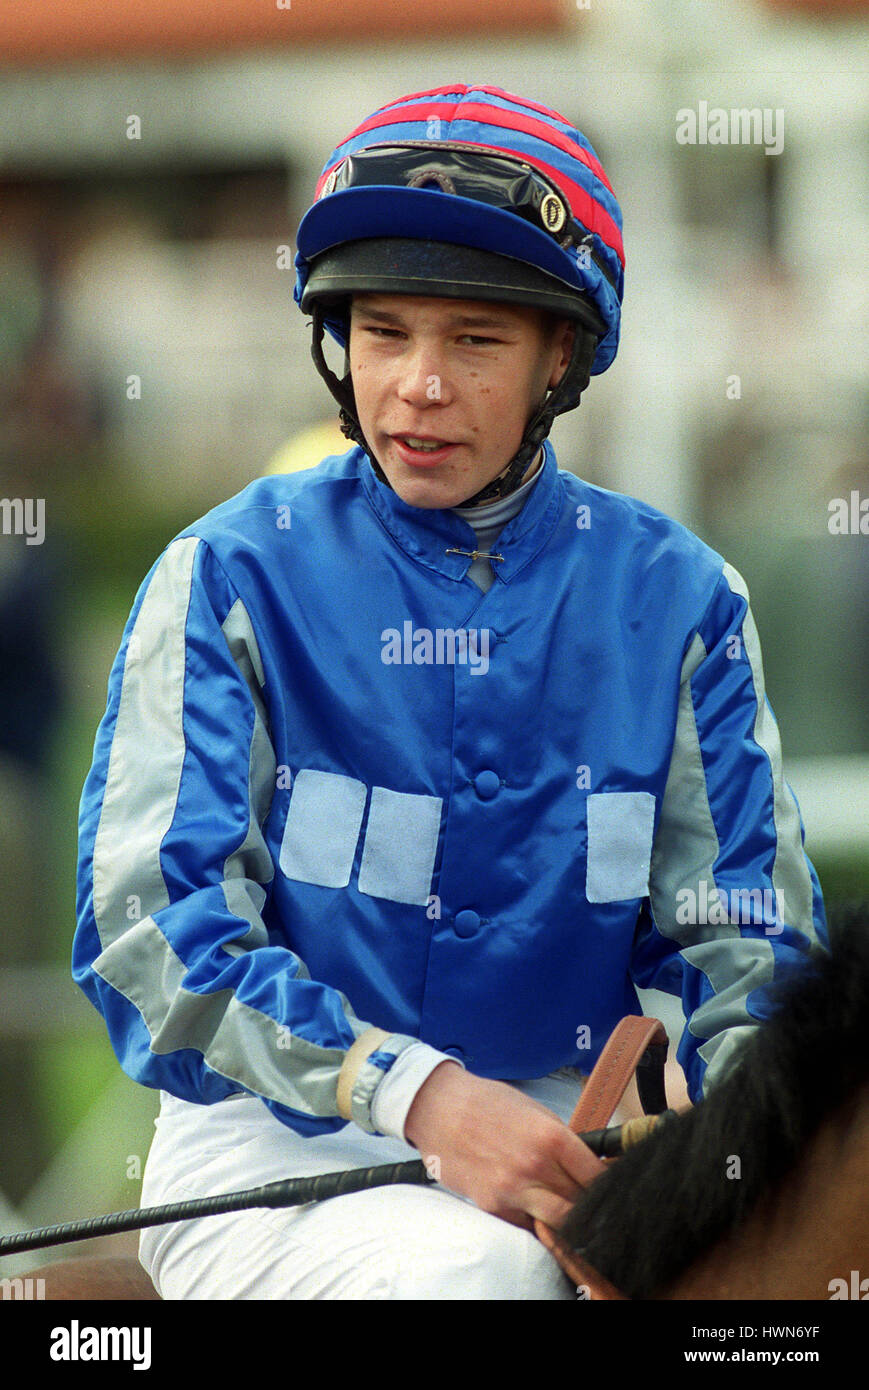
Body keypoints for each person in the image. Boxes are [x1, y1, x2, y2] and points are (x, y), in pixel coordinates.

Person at [73, 83, 827, 1300]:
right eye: (383, 332)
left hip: (581, 1143)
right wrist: (414, 1094)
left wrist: (737, 1162)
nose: (418, 385)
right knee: (479, 1284)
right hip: (276, 1145)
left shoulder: (684, 602)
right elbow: (154, 939)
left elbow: (750, 944)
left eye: (473, 340)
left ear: (559, 358)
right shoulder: (222, 577)